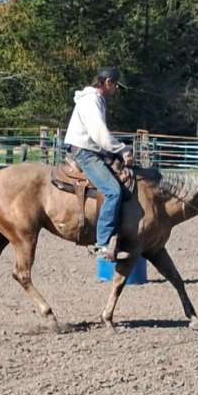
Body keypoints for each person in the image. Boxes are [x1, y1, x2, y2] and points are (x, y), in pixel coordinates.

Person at [64, 67, 135, 261]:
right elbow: (99, 134)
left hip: (90, 148)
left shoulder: (96, 100)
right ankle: (102, 244)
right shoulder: (91, 101)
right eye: (116, 86)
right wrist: (122, 149)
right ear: (109, 83)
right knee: (113, 191)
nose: (117, 91)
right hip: (84, 151)